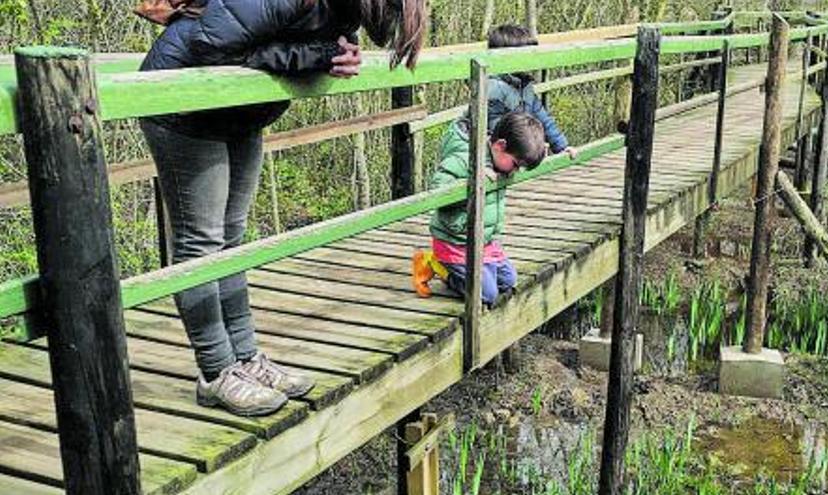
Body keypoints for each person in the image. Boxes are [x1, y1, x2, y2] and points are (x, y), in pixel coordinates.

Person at [139, 0, 426, 416]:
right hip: (183, 99)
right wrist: (316, 57)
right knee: (201, 244)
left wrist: (334, 58)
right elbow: (207, 44)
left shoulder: (343, 10)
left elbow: (280, 47)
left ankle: (246, 359)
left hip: (238, 108)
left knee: (232, 242)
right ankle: (216, 373)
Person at [412, 112, 546, 306]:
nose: (515, 172)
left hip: (483, 242)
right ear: (499, 146)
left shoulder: (500, 163)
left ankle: (463, 270)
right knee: (486, 294)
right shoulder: (466, 158)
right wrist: (473, 179)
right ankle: (435, 263)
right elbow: (437, 191)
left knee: (508, 281)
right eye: (516, 165)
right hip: (455, 241)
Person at [485, 24, 576, 159]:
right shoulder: (494, 89)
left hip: (518, 154)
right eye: (526, 55)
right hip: (501, 157)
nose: (531, 60)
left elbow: (542, 117)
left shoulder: (524, 85)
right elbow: (495, 132)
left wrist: (561, 146)